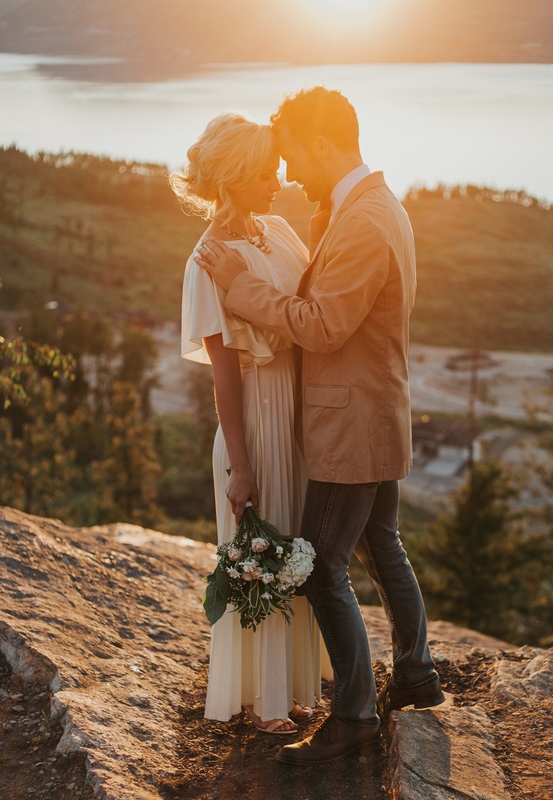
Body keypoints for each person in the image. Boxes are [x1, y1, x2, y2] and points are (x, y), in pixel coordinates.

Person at [195, 87, 443, 765]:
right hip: (374, 411)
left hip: (350, 424)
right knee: (382, 544)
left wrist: (242, 286)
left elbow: (324, 325)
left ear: (324, 144)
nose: (288, 172)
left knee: (323, 566)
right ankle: (416, 671)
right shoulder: (374, 205)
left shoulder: (363, 222)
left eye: (293, 155)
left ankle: (355, 715)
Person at [172, 112, 327, 735]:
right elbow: (225, 376)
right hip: (255, 422)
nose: (277, 181)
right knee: (264, 557)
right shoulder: (205, 260)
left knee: (299, 554)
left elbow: (308, 315)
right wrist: (241, 465)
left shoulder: (280, 231)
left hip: (298, 416)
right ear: (233, 177)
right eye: (264, 173)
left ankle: (293, 688)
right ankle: (264, 701)